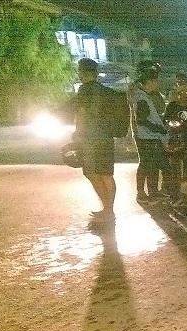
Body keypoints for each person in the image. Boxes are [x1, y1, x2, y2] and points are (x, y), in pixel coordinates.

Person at [64, 58, 117, 223]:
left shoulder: (84, 90)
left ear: (83, 72)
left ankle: (108, 209)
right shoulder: (105, 91)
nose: (79, 74)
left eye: (79, 71)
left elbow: (82, 113)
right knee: (107, 174)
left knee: (91, 172)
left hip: (91, 139)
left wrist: (78, 133)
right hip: (107, 138)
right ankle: (109, 209)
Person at [131, 60, 170, 205]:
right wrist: (158, 128)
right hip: (147, 136)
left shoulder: (142, 94)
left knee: (152, 164)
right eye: (156, 79)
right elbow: (141, 119)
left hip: (149, 135)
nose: (158, 83)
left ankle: (153, 192)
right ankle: (144, 193)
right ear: (150, 80)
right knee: (147, 164)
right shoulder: (140, 95)